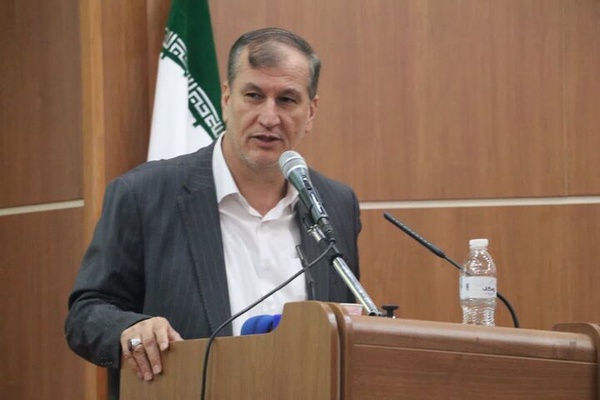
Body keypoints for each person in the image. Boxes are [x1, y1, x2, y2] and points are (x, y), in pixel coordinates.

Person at [64, 27, 361, 396]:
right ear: (226, 97)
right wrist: (130, 329)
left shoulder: (335, 204)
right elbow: (86, 314)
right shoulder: (144, 194)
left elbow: (346, 324)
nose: (269, 117)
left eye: (287, 100)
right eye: (253, 96)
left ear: (311, 111)